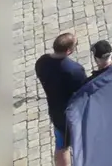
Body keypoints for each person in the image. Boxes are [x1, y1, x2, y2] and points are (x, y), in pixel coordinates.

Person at [33, 33, 87, 166]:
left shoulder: (42, 61)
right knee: (74, 144)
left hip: (55, 111)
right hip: (71, 115)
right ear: (68, 50)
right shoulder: (74, 70)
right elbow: (84, 92)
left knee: (61, 145)